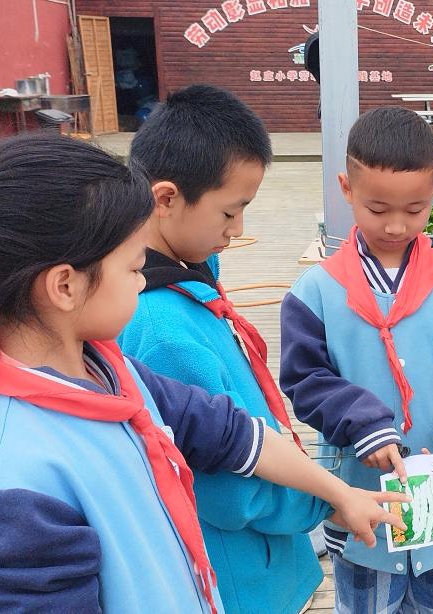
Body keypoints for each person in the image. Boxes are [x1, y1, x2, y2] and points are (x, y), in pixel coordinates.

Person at [0, 134, 404, 613]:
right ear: (65, 286)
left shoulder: (113, 373)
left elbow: (234, 434)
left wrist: (340, 494)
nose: (143, 282)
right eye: (132, 269)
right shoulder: (15, 483)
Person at [280, 106, 433, 613]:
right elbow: (304, 380)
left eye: (417, 209)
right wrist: (365, 425)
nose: (398, 225)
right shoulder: (316, 291)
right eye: (378, 209)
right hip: (363, 505)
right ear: (346, 188)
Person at [119, 84, 328, 614]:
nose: (237, 231)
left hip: (269, 564)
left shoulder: (189, 278)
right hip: (240, 582)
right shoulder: (158, 325)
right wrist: (323, 500)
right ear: (165, 198)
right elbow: (226, 490)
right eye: (230, 212)